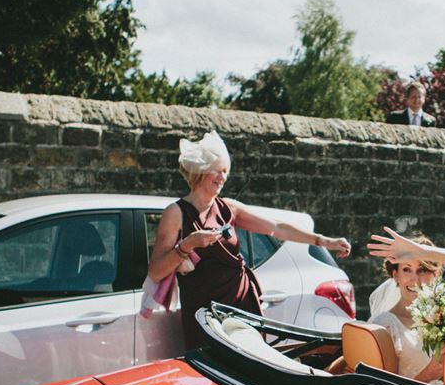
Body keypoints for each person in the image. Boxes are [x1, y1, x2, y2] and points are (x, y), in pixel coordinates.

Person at [147, 130, 351, 348]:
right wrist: (187, 245)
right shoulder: (175, 213)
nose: (223, 177)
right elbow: (156, 271)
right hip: (204, 310)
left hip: (241, 301)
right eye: (217, 171)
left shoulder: (229, 207)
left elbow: (277, 228)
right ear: (200, 171)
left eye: (225, 171)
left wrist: (323, 240)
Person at [366, 227, 445, 382]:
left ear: (436, 274)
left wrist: (422, 251)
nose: (415, 280)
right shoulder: (384, 325)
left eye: (422, 270)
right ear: (395, 275)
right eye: (406, 270)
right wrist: (429, 373)